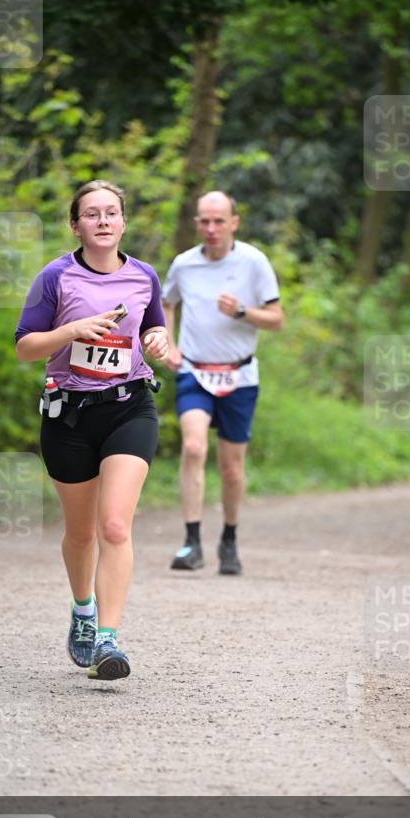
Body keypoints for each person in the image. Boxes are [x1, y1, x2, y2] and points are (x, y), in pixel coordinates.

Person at [15, 180, 168, 680]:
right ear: (75, 224)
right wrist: (70, 332)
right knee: (81, 534)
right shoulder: (56, 277)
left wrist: (159, 340)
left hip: (130, 407)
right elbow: (25, 346)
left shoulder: (144, 276)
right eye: (91, 214)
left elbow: (153, 328)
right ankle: (83, 609)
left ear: (124, 222)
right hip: (69, 415)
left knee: (115, 526)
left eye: (111, 213)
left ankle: (108, 638)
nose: (103, 221)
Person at [162, 190, 283, 574]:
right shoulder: (184, 264)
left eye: (218, 221)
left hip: (239, 375)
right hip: (195, 371)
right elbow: (166, 303)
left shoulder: (254, 262)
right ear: (196, 223)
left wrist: (244, 311)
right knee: (194, 447)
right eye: (204, 221)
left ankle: (228, 539)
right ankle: (191, 542)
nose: (211, 229)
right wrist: (167, 344)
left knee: (231, 468)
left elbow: (277, 319)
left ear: (234, 222)